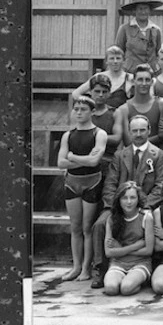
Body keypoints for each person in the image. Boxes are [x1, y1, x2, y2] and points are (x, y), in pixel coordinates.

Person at [90, 114, 163, 288]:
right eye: (135, 131)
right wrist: (117, 207)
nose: (139, 134)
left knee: (151, 222)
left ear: (149, 130)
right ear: (129, 132)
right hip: (119, 205)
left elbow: (161, 186)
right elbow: (110, 184)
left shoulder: (159, 155)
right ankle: (100, 269)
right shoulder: (120, 155)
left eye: (143, 130)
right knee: (100, 224)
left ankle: (146, 269)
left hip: (146, 206)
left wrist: (143, 206)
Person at [57, 96, 108, 281]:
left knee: (87, 228)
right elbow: (60, 163)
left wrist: (72, 157)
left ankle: (86, 268)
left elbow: (95, 162)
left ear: (92, 111)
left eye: (83, 109)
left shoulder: (99, 134)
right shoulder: (68, 135)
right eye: (76, 109)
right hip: (72, 182)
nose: (79, 112)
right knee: (75, 227)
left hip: (92, 182)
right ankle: (76, 267)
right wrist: (82, 159)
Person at [103, 181, 154, 296]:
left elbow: (148, 251)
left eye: (133, 197)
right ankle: (125, 281)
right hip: (118, 263)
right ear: (119, 200)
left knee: (126, 288)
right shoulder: (111, 219)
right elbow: (109, 252)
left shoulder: (146, 217)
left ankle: (138, 283)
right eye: (125, 198)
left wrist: (119, 249)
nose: (129, 202)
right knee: (111, 289)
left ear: (138, 199)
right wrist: (137, 245)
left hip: (140, 263)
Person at [113, 64, 163, 148]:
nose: (144, 83)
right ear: (133, 81)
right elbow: (128, 142)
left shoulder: (162, 104)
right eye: (140, 80)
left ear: (152, 82)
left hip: (158, 156)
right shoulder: (123, 110)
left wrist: (140, 141)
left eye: (147, 80)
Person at [72, 45, 133, 110]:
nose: (115, 61)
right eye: (112, 58)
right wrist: (91, 103)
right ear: (106, 61)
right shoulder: (98, 77)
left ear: (123, 61)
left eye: (118, 58)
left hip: (120, 116)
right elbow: (75, 94)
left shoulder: (130, 78)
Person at [114, 0, 163, 73]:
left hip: (151, 73)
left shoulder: (156, 30)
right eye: (140, 9)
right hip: (130, 72)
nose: (143, 12)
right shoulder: (124, 29)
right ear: (134, 10)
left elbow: (158, 53)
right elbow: (118, 52)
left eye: (146, 9)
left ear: (150, 10)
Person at [86, 73, 122, 178]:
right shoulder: (82, 112)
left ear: (109, 93)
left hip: (108, 159)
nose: (101, 95)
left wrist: (92, 135)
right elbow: (74, 136)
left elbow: (117, 138)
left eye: (104, 92)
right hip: (86, 158)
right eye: (97, 91)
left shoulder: (115, 113)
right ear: (90, 92)